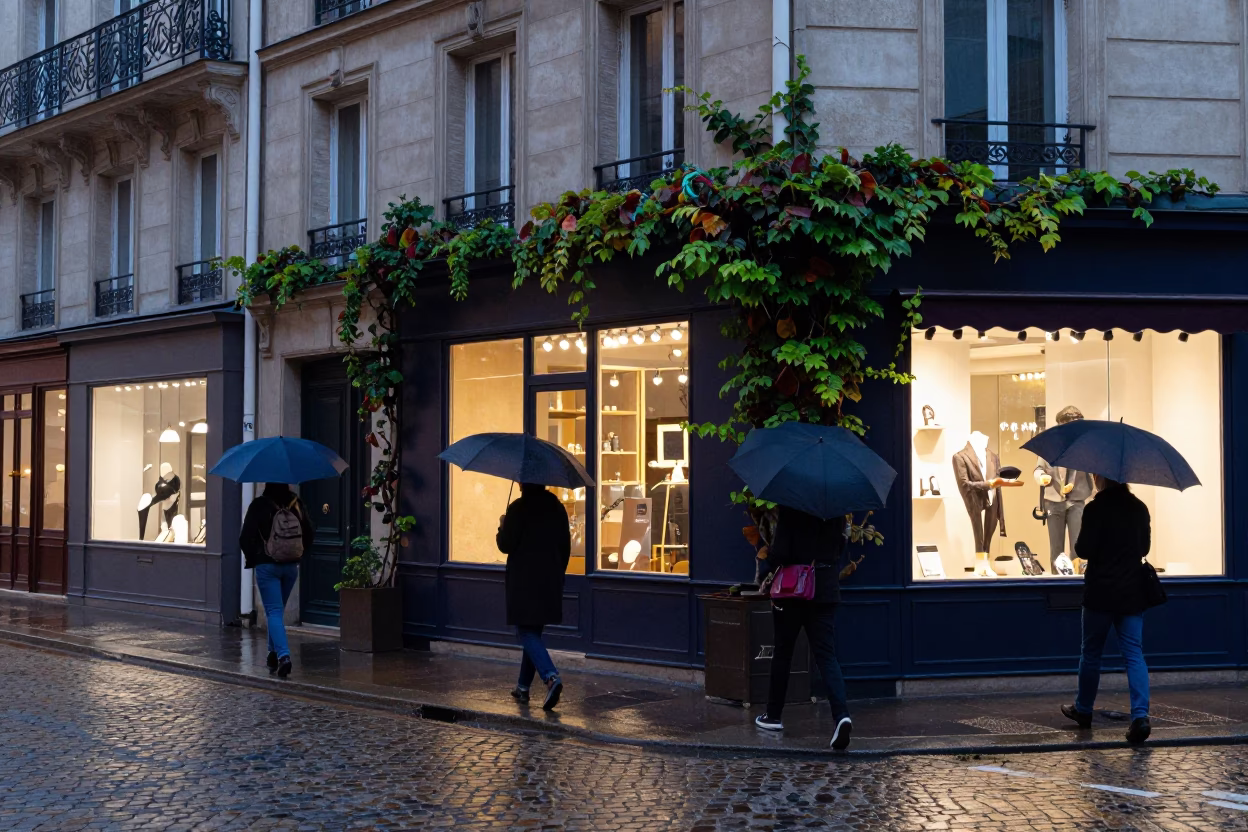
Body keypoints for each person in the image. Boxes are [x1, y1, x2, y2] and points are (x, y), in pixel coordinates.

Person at [1061, 474, 1153, 744]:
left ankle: (1084, 709)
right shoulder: (1139, 508)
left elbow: (1083, 549)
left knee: (1091, 654)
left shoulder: (1095, 508)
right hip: (1132, 594)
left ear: (1101, 478)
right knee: (1134, 655)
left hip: (1100, 593)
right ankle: (1140, 716)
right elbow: (1145, 547)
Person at [754, 505, 853, 750]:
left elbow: (781, 552)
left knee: (783, 652)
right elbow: (840, 549)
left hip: (794, 591)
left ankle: (773, 715)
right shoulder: (836, 510)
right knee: (827, 656)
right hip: (826, 589)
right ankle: (841, 715)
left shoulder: (793, 507)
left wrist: (767, 559)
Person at [497, 482, 571, 711]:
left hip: (524, 580)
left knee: (526, 631)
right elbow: (565, 547)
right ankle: (522, 687)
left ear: (522, 484)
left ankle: (550, 677)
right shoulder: (558, 508)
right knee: (533, 631)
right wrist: (559, 572)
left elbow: (505, 544)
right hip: (549, 578)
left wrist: (502, 526)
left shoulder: (518, 508)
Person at [240, 482, 314, 679]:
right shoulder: (296, 503)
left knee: (273, 612)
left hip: (267, 566)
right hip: (291, 567)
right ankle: (272, 654)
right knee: (277, 612)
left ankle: (283, 656)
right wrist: (297, 554)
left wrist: (254, 557)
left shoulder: (258, 505)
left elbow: (245, 537)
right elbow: (309, 534)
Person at [1034, 406, 1095, 569]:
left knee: (1078, 545)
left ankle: (1078, 579)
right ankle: (1057, 580)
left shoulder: (1085, 447)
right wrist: (1042, 478)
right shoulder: (1048, 447)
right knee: (1056, 547)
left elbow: (1094, 472)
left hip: (1077, 499)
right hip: (1054, 500)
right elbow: (1038, 469)